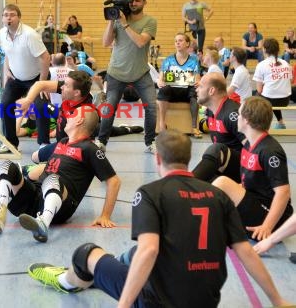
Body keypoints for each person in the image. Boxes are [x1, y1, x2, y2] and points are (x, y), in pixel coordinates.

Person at [27, 129, 290, 308]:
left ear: (157, 159)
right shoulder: (218, 194)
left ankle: (67, 281)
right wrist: (277, 301)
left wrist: (124, 305)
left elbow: (149, 251)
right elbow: (246, 251)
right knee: (131, 255)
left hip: (158, 301)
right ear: (189, 159)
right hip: (206, 301)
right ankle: (100, 275)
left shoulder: (151, 194)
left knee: (86, 254)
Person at [0, 107, 121, 243]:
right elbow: (35, 158)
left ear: (79, 121)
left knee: (52, 178)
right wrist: (21, 175)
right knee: (7, 165)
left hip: (61, 207)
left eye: (73, 114)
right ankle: (0, 215)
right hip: (36, 196)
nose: (69, 116)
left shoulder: (89, 149)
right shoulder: (62, 143)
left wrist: (105, 216)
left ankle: (43, 224)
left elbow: (114, 181)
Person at [212, 96, 293, 241]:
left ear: (246, 120)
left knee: (222, 182)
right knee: (219, 187)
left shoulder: (270, 151)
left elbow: (283, 192)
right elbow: (249, 185)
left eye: (239, 114)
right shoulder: (249, 145)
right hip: (257, 204)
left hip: (272, 218)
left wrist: (267, 227)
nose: (236, 117)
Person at [95, 0, 158, 153]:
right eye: (131, 0)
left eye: (137, 0)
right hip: (116, 72)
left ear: (144, 2)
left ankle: (150, 142)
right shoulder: (118, 19)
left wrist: (124, 23)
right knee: (109, 108)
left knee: (151, 107)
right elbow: (106, 42)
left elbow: (140, 42)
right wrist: (111, 21)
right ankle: (101, 141)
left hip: (140, 73)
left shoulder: (149, 21)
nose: (134, 3)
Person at [0, 4, 50, 153]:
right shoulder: (1, 33)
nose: (9, 17)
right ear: (2, 18)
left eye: (12, 14)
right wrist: (6, 70)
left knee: (41, 107)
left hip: (36, 78)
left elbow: (46, 58)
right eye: (6, 14)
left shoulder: (30, 35)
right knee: (5, 104)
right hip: (16, 78)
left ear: (19, 17)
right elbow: (7, 52)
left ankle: (43, 144)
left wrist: (42, 83)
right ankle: (11, 144)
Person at [193, 73, 244, 183]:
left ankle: (186, 184)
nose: (196, 90)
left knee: (217, 149)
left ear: (211, 91)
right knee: (204, 183)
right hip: (224, 167)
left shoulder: (233, 114)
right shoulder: (212, 111)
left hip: (243, 170)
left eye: (201, 86)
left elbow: (255, 148)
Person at [157, 33, 202, 138]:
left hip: (187, 91)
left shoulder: (194, 60)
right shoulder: (168, 60)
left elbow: (197, 78)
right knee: (163, 90)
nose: (177, 42)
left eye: (181, 40)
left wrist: (198, 82)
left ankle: (194, 127)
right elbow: (161, 78)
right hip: (172, 92)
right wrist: (160, 82)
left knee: (194, 91)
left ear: (187, 44)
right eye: (176, 41)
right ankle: (162, 123)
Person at [253, 38, 292, 129]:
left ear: (265, 50)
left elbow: (259, 90)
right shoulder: (286, 63)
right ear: (278, 50)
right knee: (274, 92)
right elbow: (288, 81)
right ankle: (281, 122)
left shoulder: (261, 65)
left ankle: (259, 125)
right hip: (285, 100)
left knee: (256, 95)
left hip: (270, 100)